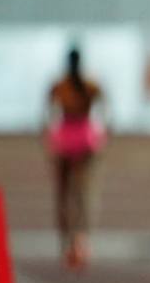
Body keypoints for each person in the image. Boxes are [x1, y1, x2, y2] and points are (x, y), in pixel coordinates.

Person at [45, 46, 107, 271]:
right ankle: (78, 241)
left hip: (66, 138)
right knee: (81, 194)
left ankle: (70, 243)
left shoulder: (62, 86)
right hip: (82, 138)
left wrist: (48, 137)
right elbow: (106, 108)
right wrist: (102, 133)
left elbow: (46, 112)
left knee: (67, 194)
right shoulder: (85, 85)